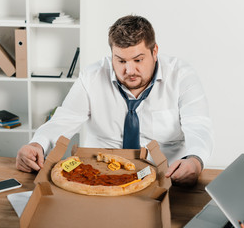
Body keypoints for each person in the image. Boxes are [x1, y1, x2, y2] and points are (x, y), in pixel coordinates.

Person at [16, 15, 213, 186]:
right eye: (120, 61)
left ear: (155, 52)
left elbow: (198, 125)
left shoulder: (181, 75)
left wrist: (195, 161)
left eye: (138, 60)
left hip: (166, 176)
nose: (129, 71)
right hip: (97, 177)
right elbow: (64, 119)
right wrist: (37, 145)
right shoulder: (92, 77)